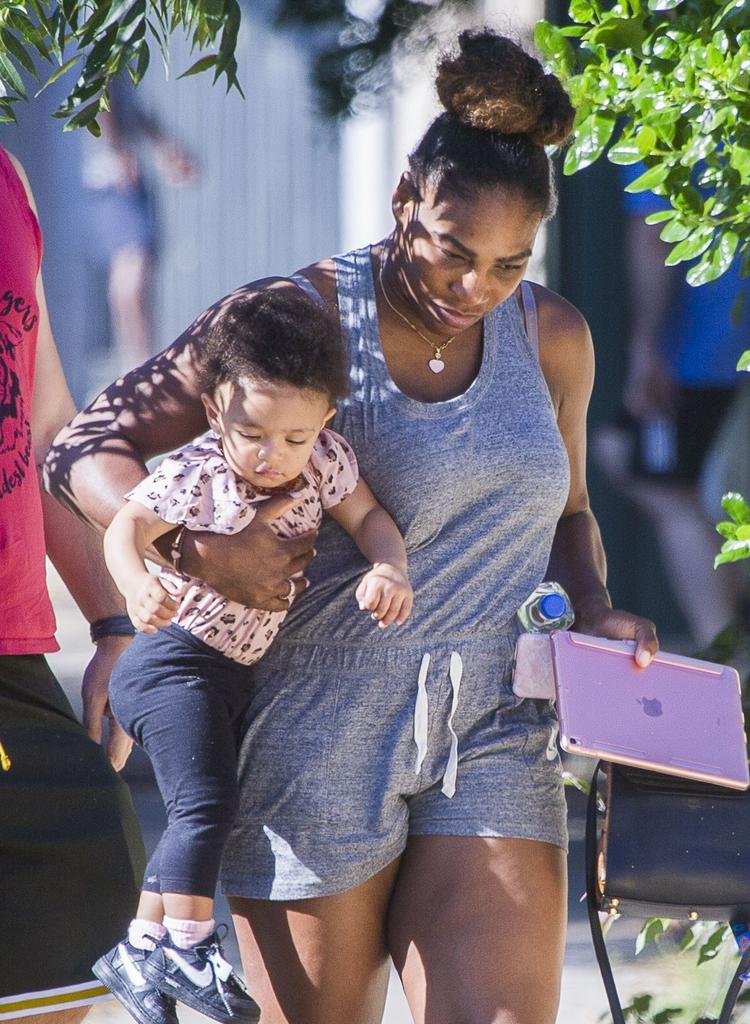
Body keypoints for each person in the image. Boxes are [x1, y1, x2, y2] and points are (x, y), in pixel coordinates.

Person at [47, 29, 658, 1024]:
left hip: (494, 726)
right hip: (312, 732)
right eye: (453, 253)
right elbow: (86, 443)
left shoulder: (552, 336)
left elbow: (572, 510)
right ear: (404, 198)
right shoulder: (297, 315)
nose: (474, 291)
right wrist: (190, 548)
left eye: (508, 265)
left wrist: (596, 608)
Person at [93, 289, 412, 1023]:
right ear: (215, 415)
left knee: (193, 811)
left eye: (295, 436)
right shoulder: (197, 471)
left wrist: (388, 567)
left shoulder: (326, 461)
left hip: (231, 675)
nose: (274, 457)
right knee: (204, 804)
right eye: (254, 434)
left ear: (326, 420)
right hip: (170, 661)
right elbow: (126, 529)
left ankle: (141, 945)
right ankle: (190, 944)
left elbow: (369, 519)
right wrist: (137, 586)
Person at [0, 145, 144, 1021]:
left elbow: (47, 422)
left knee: (96, 864)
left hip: (11, 660)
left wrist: (114, 620)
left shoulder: (9, 180)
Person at [592, 165, 750, 648]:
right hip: (736, 340)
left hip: (696, 351)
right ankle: (734, 633)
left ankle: (726, 651)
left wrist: (648, 349)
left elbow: (652, 235)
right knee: (626, 455)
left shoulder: (656, 123)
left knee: (657, 479)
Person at [79, 74, 197, 401]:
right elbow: (97, 94)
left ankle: (141, 363)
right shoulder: (93, 38)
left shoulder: (122, 41)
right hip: (112, 175)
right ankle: (137, 364)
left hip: (118, 170)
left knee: (137, 269)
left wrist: (164, 147)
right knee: (131, 269)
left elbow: (131, 107)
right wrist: (117, 150)